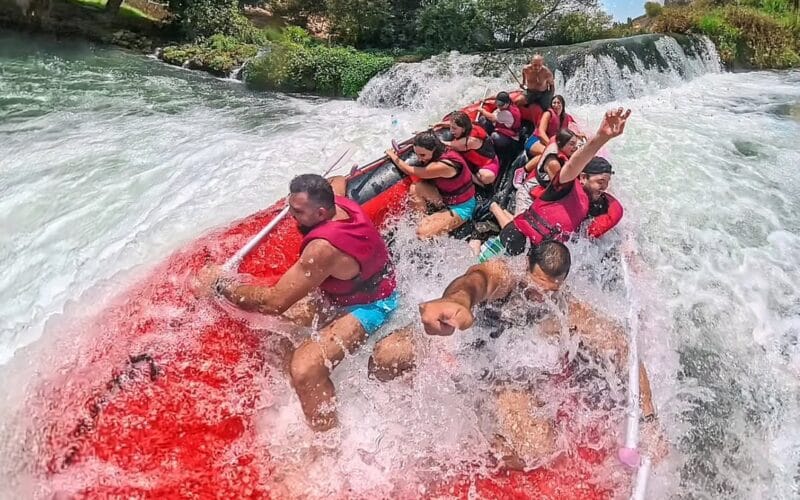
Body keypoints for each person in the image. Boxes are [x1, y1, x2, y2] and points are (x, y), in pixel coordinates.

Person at [373, 242, 664, 466]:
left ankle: (476, 442)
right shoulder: (507, 274)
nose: (540, 297)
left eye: (550, 291)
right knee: (386, 353)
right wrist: (457, 301)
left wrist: (649, 420)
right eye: (537, 286)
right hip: (460, 344)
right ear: (527, 264)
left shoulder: (566, 308)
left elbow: (624, 349)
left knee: (538, 449)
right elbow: (476, 280)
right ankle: (378, 407)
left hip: (504, 379)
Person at [193, 174, 401, 431]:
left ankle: (326, 443)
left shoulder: (322, 249)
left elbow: (273, 302)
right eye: (290, 207)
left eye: (298, 212)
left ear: (321, 211)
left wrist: (220, 284)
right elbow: (337, 180)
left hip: (374, 305)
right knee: (278, 328)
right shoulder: (339, 202)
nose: (291, 216)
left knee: (305, 367)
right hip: (348, 292)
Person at [485, 109, 630, 257]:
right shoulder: (565, 182)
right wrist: (601, 137)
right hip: (516, 235)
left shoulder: (590, 200)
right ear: (583, 178)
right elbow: (573, 166)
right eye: (601, 182)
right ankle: (494, 207)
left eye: (607, 182)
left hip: (538, 254)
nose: (604, 187)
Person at [386, 131, 476, 239]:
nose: (419, 159)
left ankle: (428, 228)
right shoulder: (441, 150)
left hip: (462, 207)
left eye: (422, 155)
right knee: (416, 188)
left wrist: (392, 155)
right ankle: (421, 221)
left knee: (422, 233)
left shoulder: (442, 166)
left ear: (434, 149)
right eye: (417, 154)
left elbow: (410, 170)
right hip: (446, 198)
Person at [440, 111, 500, 187]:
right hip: (474, 161)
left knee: (486, 178)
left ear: (463, 129)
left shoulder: (470, 141)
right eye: (451, 127)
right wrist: (439, 124)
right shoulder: (468, 125)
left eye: (454, 128)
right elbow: (453, 123)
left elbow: (446, 144)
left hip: (487, 163)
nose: (451, 131)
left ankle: (481, 185)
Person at [524, 95, 585, 163]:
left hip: (552, 142)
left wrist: (577, 135)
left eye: (558, 103)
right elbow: (541, 133)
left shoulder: (566, 117)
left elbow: (568, 132)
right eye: (554, 103)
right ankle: (523, 171)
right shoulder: (548, 114)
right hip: (536, 140)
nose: (556, 105)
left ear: (562, 104)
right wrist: (551, 146)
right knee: (549, 153)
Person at [476, 91, 522, 168]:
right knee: (483, 120)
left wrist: (482, 110)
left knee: (494, 136)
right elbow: (496, 96)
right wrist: (485, 99)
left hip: (510, 136)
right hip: (501, 125)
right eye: (497, 103)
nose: (498, 106)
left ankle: (495, 151)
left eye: (501, 105)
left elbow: (492, 118)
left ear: (507, 103)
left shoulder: (506, 114)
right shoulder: (509, 102)